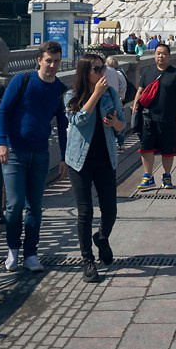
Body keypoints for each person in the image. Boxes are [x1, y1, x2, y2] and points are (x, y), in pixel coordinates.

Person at [0, 40, 68, 273]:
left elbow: (63, 124)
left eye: (56, 61)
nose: (52, 66)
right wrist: (1, 143)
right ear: (39, 60)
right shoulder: (22, 80)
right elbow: (3, 111)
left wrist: (65, 157)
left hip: (40, 152)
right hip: (15, 151)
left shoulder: (59, 90)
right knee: (14, 204)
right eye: (49, 61)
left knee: (35, 206)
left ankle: (31, 254)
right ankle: (13, 250)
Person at [65, 54, 125, 282]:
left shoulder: (110, 94)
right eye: (97, 69)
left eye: (103, 69)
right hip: (79, 160)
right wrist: (95, 95)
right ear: (85, 73)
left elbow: (122, 123)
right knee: (85, 211)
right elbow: (77, 119)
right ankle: (87, 260)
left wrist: (116, 124)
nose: (102, 74)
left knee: (110, 209)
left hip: (105, 157)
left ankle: (102, 238)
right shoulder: (72, 95)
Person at [133, 43, 176, 189]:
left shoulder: (175, 74)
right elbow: (140, 91)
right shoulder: (147, 72)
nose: (160, 56)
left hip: (168, 117)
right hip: (148, 118)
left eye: (164, 53)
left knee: (168, 149)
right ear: (154, 55)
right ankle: (148, 176)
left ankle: (167, 175)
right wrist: (134, 109)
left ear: (169, 56)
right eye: (158, 53)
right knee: (146, 148)